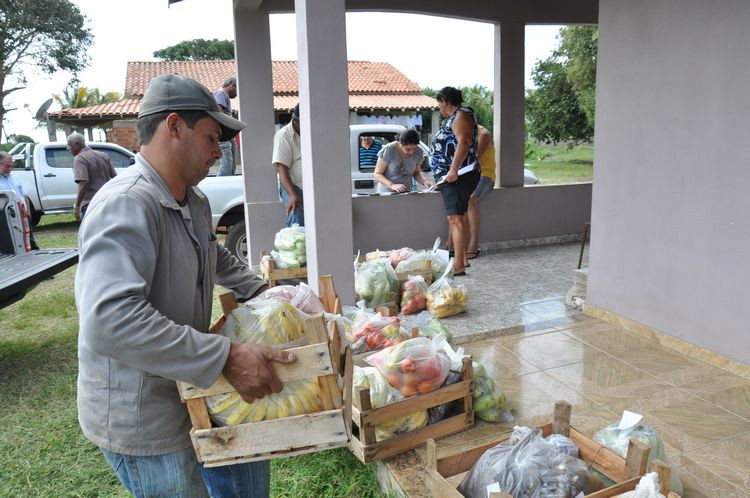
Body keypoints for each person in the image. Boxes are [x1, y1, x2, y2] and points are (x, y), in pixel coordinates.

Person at [75, 74, 296, 497]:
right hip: (145, 415)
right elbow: (109, 321)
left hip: (193, 387)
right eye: (213, 137)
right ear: (173, 126)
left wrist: (266, 293)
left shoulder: (193, 200)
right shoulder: (126, 202)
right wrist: (227, 355)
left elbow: (211, 254)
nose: (219, 152)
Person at [429, 86, 480, 276]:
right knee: (457, 218)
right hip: (453, 177)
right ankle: (461, 260)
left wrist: (453, 169)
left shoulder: (461, 115)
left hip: (459, 176)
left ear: (445, 100)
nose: (440, 108)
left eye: (439, 103)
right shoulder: (457, 117)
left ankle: (457, 265)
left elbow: (464, 141)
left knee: (455, 219)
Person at [447, 124, 496, 259]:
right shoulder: (462, 133)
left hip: (486, 176)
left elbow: (472, 157)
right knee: (455, 199)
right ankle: (452, 245)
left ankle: (473, 245)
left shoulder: (483, 134)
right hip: (467, 175)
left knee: (471, 200)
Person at [67, 132, 117, 221]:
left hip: (90, 205)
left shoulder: (79, 158)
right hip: (107, 201)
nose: (68, 149)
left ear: (77, 144)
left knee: (91, 234)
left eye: (69, 145)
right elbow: (114, 177)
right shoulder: (103, 155)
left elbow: (84, 183)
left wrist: (77, 206)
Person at [373, 128, 433, 194]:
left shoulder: (418, 152)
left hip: (406, 192)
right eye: (408, 149)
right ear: (400, 143)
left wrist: (424, 181)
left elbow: (416, 173)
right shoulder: (389, 150)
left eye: (414, 148)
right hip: (387, 192)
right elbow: (377, 174)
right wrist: (392, 185)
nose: (411, 152)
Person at [272, 103, 304, 226]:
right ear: (296, 121)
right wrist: (292, 195)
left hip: (315, 186)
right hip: (293, 185)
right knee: (296, 213)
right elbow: (282, 170)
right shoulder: (283, 136)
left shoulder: (314, 132)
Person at [0, 151, 38, 249]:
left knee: (30, 244)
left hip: (22, 217)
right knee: (11, 247)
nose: (10, 169)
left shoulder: (14, 178)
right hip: (5, 221)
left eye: (11, 166)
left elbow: (25, 196)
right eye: (7, 166)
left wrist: (28, 215)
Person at [213, 76, 238, 176]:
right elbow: (220, 113)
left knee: (231, 164)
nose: (237, 94)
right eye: (237, 90)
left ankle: (230, 182)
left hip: (228, 134)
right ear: (232, 86)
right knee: (227, 164)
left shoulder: (224, 95)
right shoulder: (220, 93)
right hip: (223, 134)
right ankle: (222, 184)